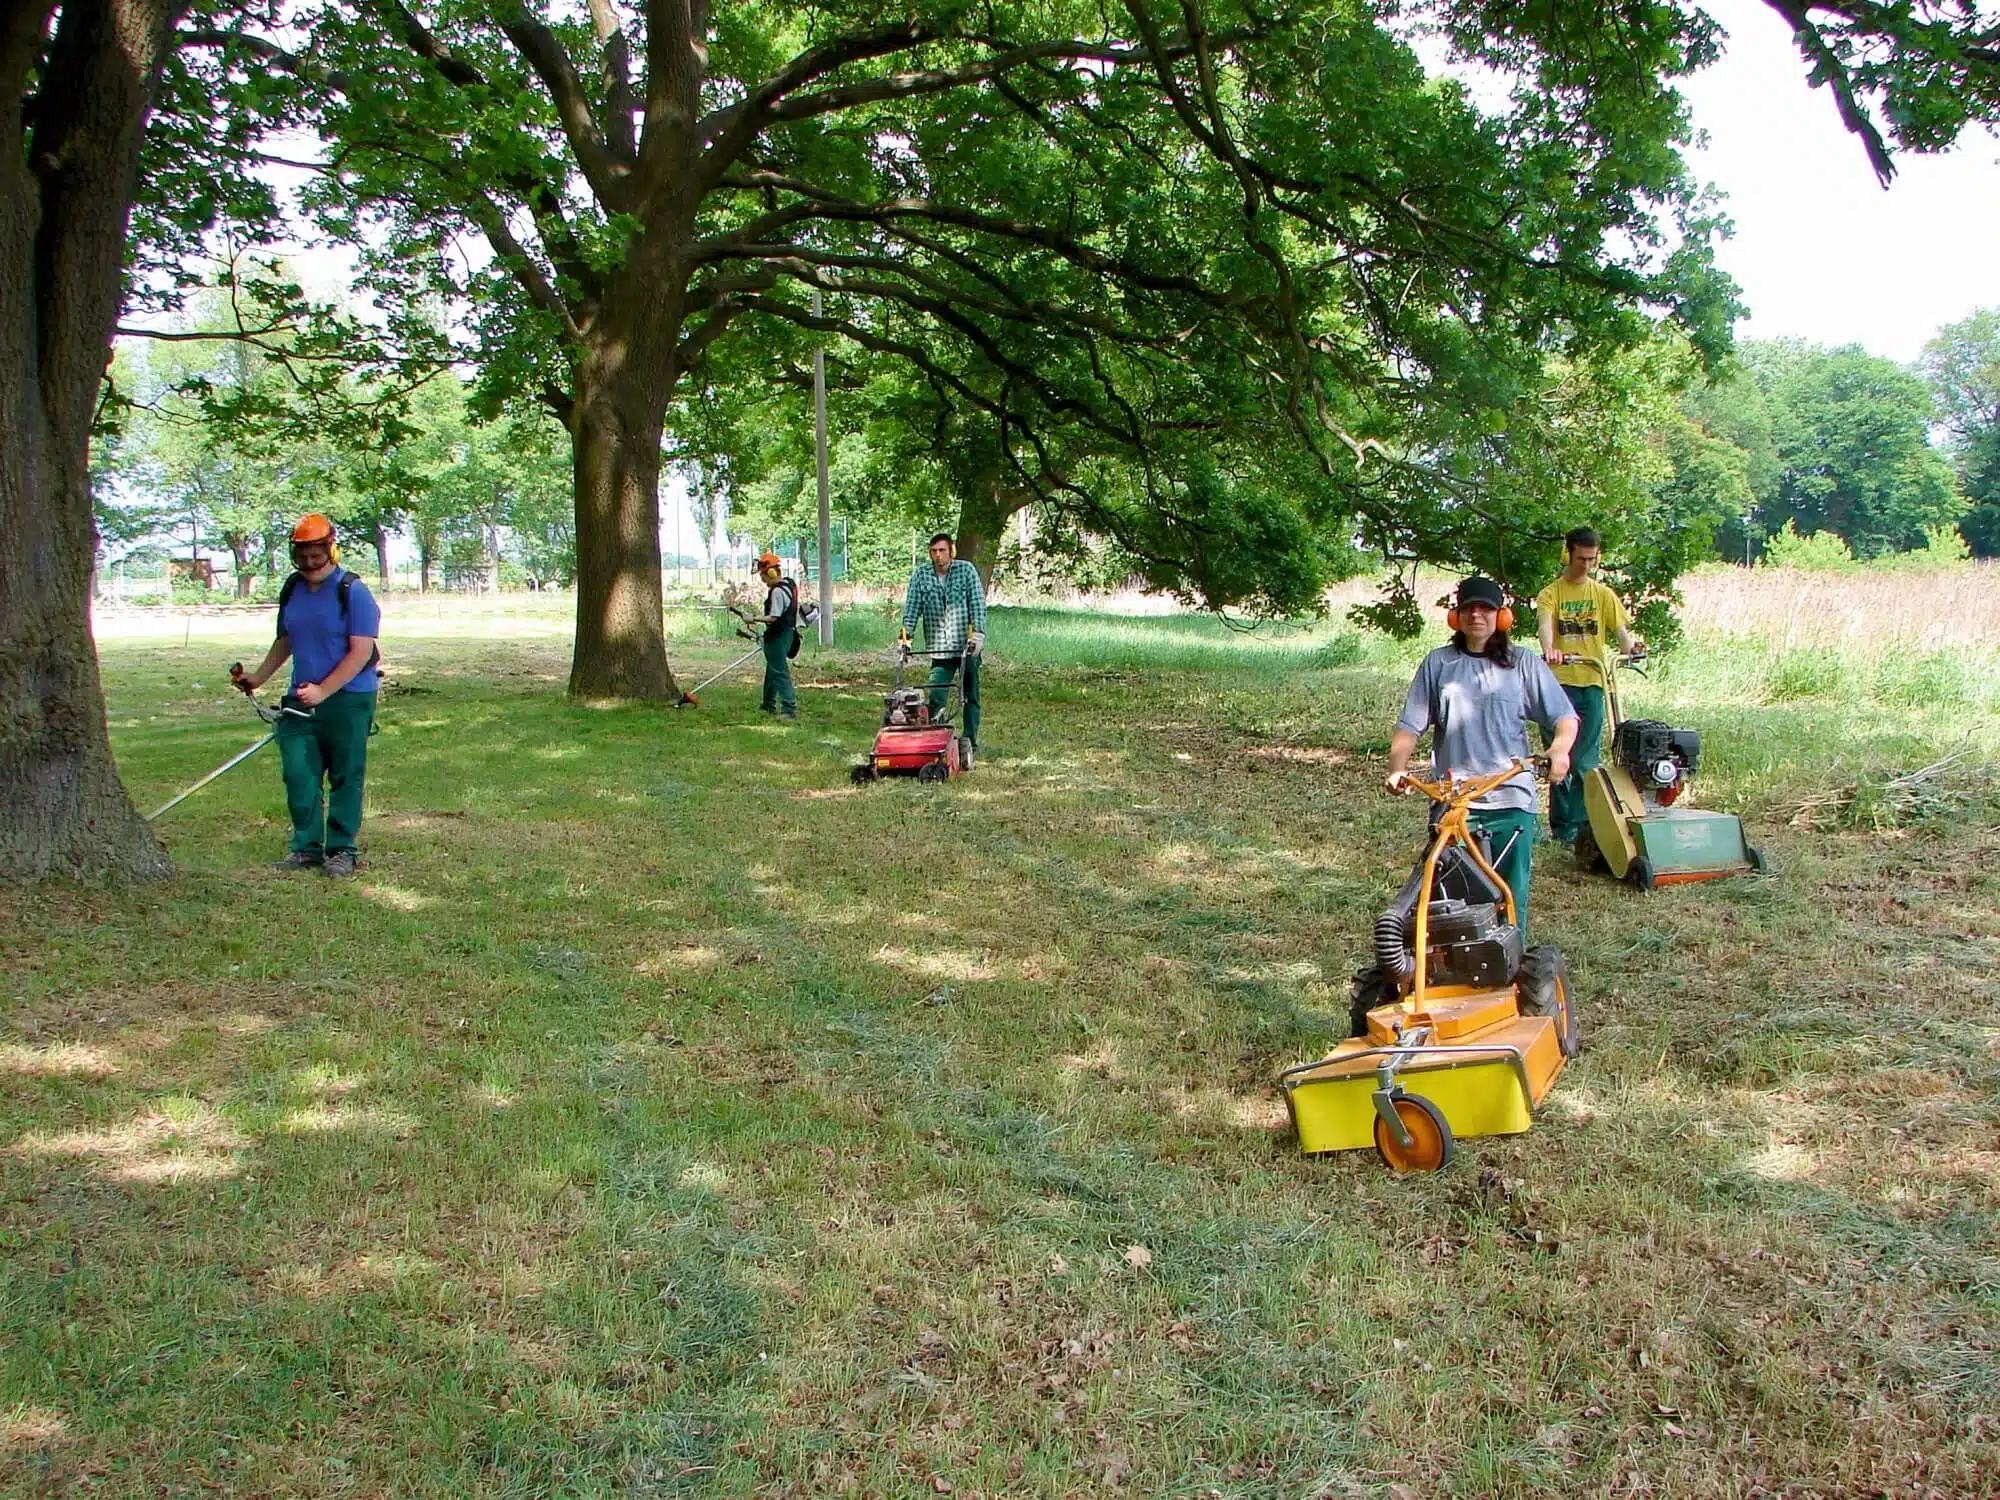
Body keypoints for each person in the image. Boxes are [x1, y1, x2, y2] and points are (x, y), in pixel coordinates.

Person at [1385, 576, 1577, 937]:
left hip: (1511, 798)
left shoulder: (1523, 664)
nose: (1477, 615)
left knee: (1509, 896)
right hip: (1455, 803)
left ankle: (1510, 968)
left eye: (1486, 608)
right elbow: (1410, 725)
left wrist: (1560, 749)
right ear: (1455, 617)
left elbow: (1563, 717)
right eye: (1469, 608)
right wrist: (1397, 768)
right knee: (1453, 897)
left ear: (1501, 617)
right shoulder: (1438, 664)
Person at [236, 514, 381, 877]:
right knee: (299, 774)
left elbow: (361, 652)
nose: (309, 563)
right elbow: (286, 640)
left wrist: (324, 690)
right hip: (300, 700)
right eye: (301, 556)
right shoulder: (293, 590)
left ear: (331, 550)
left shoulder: (353, 592)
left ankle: (342, 850)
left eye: (316, 555)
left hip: (349, 698)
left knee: (346, 775)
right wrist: (257, 677)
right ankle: (306, 848)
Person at [1535, 526, 1643, 847]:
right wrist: (1551, 649)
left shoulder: (1603, 595)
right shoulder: (1551, 594)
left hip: (1593, 683)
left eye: (1592, 559)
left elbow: (1622, 633)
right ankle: (1562, 826)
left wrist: (1630, 649)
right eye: (1581, 558)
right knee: (1559, 755)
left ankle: (1584, 826)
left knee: (1585, 760)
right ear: (1568, 554)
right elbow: (1544, 627)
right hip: (1559, 686)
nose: (1586, 565)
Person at [900, 532, 986, 769]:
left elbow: (978, 604)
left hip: (965, 646)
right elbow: (912, 608)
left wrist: (979, 634)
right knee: (936, 694)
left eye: (942, 550)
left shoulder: (966, 571)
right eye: (934, 551)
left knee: (970, 693)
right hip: (939, 647)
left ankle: (970, 739)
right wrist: (906, 638)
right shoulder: (921, 576)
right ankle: (932, 740)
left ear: (951, 551)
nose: (938, 555)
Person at [746, 552, 800, 720]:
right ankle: (767, 704)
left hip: (778, 635)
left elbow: (774, 616)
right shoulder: (789, 585)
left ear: (771, 573)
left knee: (779, 671)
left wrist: (753, 618)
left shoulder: (777, 591)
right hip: (789, 633)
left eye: (764, 577)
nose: (764, 582)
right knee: (773, 670)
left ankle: (789, 708)